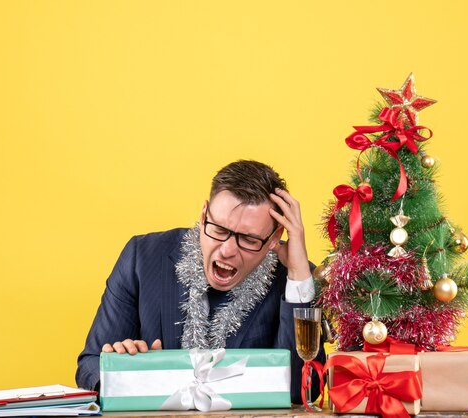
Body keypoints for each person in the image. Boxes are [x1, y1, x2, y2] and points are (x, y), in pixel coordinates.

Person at [76, 160, 325, 404]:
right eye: (218, 229)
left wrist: (299, 278)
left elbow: (302, 391)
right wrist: (124, 370)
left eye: (249, 239)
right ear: (204, 215)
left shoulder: (294, 279)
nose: (227, 250)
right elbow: (88, 367)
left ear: (274, 239)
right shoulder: (141, 257)